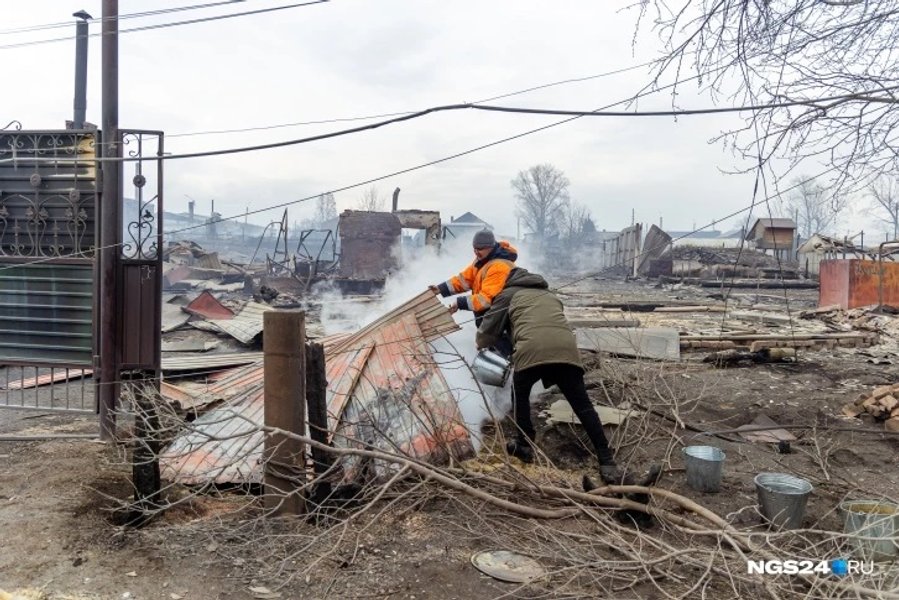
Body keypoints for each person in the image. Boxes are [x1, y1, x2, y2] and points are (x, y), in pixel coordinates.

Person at [475, 266, 626, 484]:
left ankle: (524, 444)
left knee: (519, 395)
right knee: (583, 406)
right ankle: (606, 460)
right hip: (567, 351)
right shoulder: (550, 295)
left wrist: (481, 343)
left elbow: (487, 332)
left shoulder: (506, 295)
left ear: (508, 282)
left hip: (532, 351)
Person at [429, 229, 518, 319]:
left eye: (479, 249)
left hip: (499, 320)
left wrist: (460, 303)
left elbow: (485, 300)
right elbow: (464, 280)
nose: (476, 252)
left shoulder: (499, 268)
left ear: (490, 247)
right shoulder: (482, 260)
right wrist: (440, 289)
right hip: (488, 318)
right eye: (474, 248)